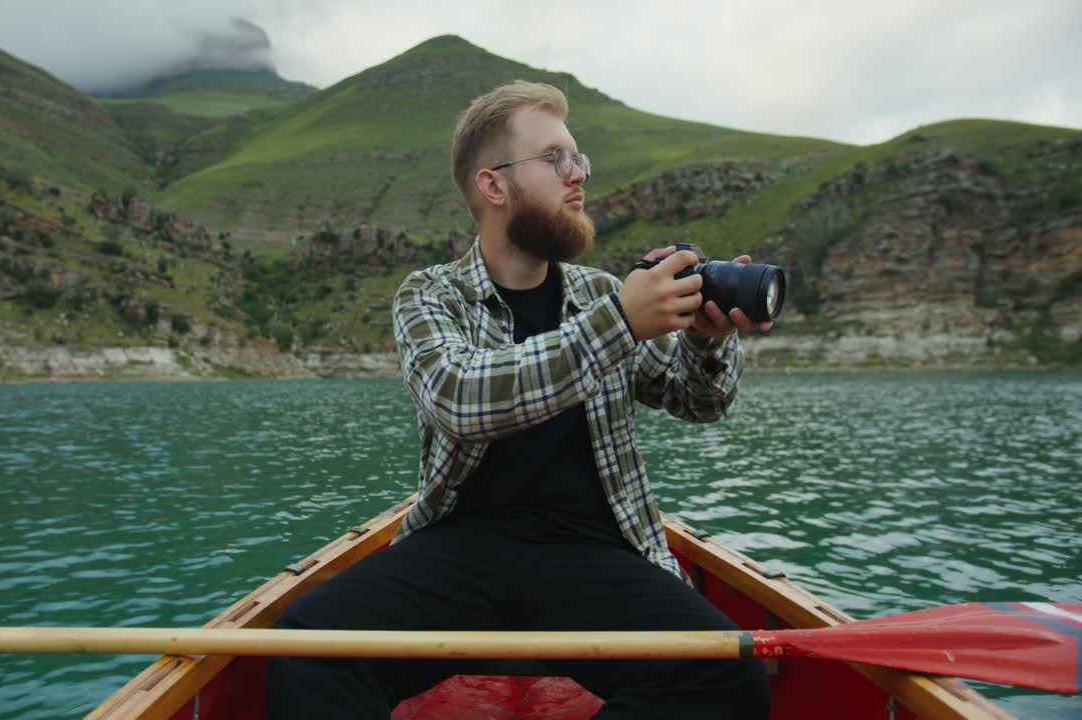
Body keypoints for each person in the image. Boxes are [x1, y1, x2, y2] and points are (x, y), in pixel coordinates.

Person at [267, 80, 772, 719]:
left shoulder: (602, 292)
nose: (578, 175)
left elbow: (698, 402)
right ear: (493, 186)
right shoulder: (429, 296)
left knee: (727, 677)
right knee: (305, 649)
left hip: (593, 551)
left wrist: (706, 342)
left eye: (579, 158)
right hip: (459, 548)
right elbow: (459, 397)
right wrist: (620, 322)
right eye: (555, 158)